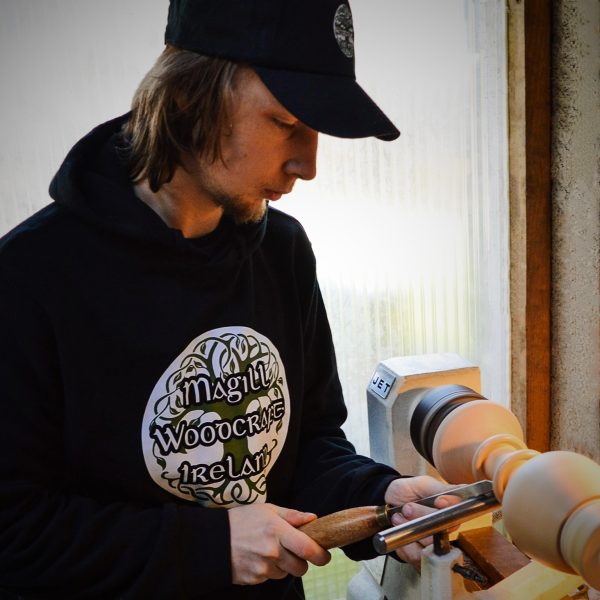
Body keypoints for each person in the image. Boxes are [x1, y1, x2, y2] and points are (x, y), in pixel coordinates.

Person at [0, 1, 457, 598]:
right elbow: (14, 534)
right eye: (286, 120)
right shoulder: (29, 278)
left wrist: (379, 496)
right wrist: (209, 548)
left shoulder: (282, 250)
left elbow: (307, 446)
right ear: (190, 96)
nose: (308, 164)